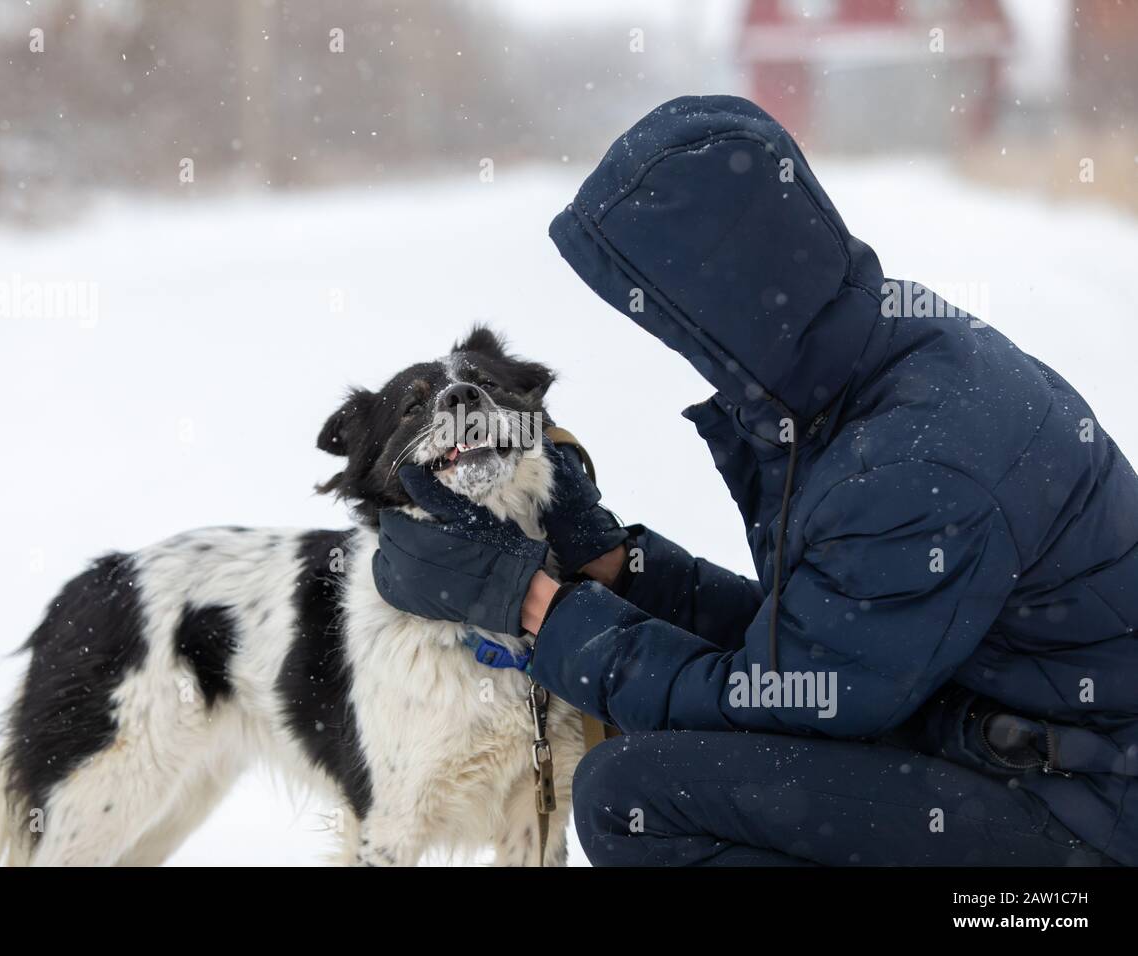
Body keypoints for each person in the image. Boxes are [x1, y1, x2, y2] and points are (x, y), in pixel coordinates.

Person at [373, 96, 1136, 866]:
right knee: (663, 756)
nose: (664, 336)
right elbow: (813, 649)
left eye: (664, 311)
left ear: (716, 299)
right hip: (1013, 746)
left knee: (636, 798)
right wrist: (621, 568)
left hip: (1084, 822)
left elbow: (798, 706)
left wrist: (545, 612)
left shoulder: (908, 463)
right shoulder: (874, 363)